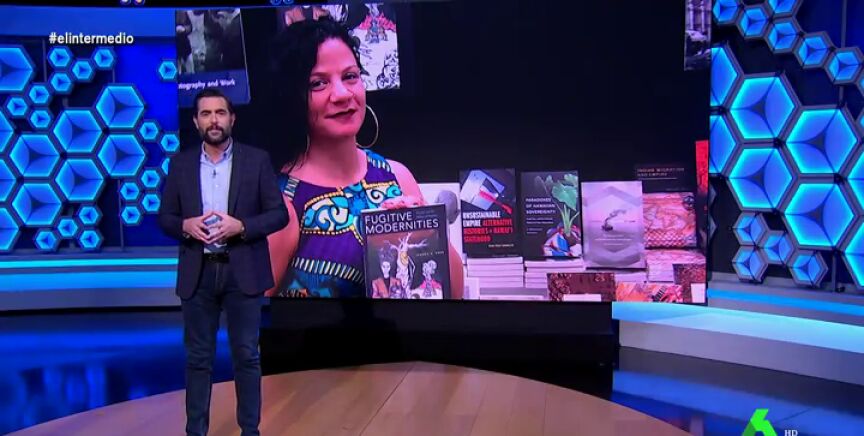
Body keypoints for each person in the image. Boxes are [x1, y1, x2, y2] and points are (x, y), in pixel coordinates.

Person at [264, 17, 463, 299]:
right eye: (319, 83)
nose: (342, 94)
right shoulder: (282, 202)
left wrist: (427, 227)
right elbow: (249, 318)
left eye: (350, 76)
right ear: (294, 97)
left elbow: (453, 295)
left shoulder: (397, 176)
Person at [158, 88, 289, 436]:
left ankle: (250, 431)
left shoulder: (256, 160)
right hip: (198, 273)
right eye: (206, 114)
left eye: (220, 113)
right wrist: (185, 226)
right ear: (195, 122)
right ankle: (195, 432)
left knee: (246, 355)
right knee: (198, 359)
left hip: (242, 271)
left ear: (232, 118)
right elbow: (165, 217)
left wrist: (242, 226)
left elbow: (279, 214)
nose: (213, 120)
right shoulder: (180, 164)